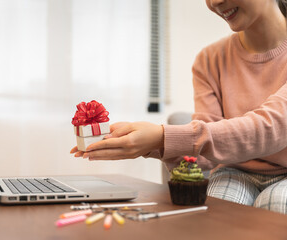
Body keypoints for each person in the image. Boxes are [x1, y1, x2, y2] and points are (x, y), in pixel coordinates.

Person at [70, 0, 287, 214]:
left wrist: (162, 136)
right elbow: (206, 153)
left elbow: (271, 127)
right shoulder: (209, 60)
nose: (215, 2)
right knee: (218, 213)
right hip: (234, 171)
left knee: (275, 204)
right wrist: (146, 144)